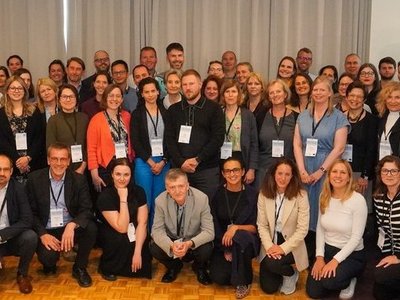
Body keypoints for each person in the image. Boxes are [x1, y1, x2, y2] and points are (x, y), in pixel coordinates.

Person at [293, 76, 349, 260]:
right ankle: (304, 254)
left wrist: (321, 171)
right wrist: (302, 170)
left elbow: (339, 147)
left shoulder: (338, 117)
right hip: (305, 167)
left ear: (329, 93)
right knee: (304, 208)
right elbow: (297, 144)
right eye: (315, 90)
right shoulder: (303, 115)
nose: (318, 93)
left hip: (327, 168)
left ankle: (321, 253)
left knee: (323, 207)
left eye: (322, 90)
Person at [27, 142, 97, 287]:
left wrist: (72, 225)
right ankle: (50, 263)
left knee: (91, 228)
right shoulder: (34, 179)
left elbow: (87, 209)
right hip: (47, 230)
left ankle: (79, 267)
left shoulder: (78, 179)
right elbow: (30, 213)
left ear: (69, 161)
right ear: (48, 160)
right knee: (49, 259)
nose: (59, 163)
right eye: (55, 159)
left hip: (68, 227)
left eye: (63, 159)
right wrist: (42, 234)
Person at [306, 159, 368, 299]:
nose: (338, 176)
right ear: (329, 176)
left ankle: (351, 278)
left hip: (352, 254)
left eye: (342, 172)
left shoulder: (357, 200)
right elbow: (320, 229)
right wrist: (320, 257)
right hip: (328, 250)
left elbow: (356, 237)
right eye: (334, 171)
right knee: (313, 292)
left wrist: (335, 261)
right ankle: (336, 276)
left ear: (348, 178)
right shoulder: (324, 196)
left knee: (329, 282)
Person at [165, 69, 225, 200]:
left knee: (207, 210)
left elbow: (218, 138)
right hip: (180, 170)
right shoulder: (173, 110)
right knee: (180, 210)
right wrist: (181, 162)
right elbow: (169, 140)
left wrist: (198, 159)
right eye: (184, 85)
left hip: (206, 170)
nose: (188, 88)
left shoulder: (214, 109)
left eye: (191, 84)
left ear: (200, 84)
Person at [150, 168, 214, 285]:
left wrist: (189, 243)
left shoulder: (201, 198)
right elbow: (157, 230)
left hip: (193, 240)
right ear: (167, 188)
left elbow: (209, 232)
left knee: (207, 248)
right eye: (172, 187)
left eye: (181, 186)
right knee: (154, 247)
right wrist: (171, 245)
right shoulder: (160, 200)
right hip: (173, 240)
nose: (177, 191)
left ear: (187, 185)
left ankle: (199, 267)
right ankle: (174, 267)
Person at [257, 158, 309, 295]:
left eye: (287, 174)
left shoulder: (301, 196)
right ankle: (279, 270)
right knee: (269, 288)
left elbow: (302, 230)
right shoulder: (263, 194)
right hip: (270, 242)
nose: (283, 178)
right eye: (280, 173)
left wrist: (281, 248)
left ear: (293, 176)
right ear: (273, 174)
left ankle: (290, 274)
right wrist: (269, 247)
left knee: (272, 263)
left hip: (292, 245)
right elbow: (261, 225)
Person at [209, 157, 259, 299]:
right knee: (219, 278)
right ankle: (235, 268)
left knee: (240, 236)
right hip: (222, 242)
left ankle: (244, 281)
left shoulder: (253, 194)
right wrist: (226, 249)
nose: (232, 174)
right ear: (223, 174)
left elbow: (255, 228)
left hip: (246, 241)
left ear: (243, 171)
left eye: (236, 170)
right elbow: (214, 224)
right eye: (228, 171)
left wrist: (235, 227)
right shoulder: (215, 194)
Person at [97, 158, 152, 280]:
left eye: (126, 174)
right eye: (118, 174)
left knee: (141, 242)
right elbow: (121, 227)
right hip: (114, 232)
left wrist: (138, 252)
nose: (122, 178)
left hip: (135, 230)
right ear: (112, 174)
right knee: (120, 239)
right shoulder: (105, 196)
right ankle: (107, 267)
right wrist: (123, 198)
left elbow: (142, 222)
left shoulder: (139, 191)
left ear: (131, 175)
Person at [131, 77, 170, 229]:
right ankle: (143, 236)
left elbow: (170, 140)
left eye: (153, 91)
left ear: (158, 92)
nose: (150, 94)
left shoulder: (166, 113)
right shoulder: (137, 114)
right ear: (141, 94)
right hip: (144, 162)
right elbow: (136, 141)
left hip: (163, 162)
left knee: (159, 202)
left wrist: (163, 161)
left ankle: (156, 236)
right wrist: (150, 161)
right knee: (145, 201)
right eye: (146, 92)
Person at [0, 154, 37, 294]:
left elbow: (27, 219)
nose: (1, 173)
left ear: (11, 171)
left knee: (30, 237)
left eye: (5, 169)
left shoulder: (18, 188)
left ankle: (22, 274)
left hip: (10, 237)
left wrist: (2, 235)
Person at [87, 84, 133, 191]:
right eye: (111, 96)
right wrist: (94, 174)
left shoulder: (127, 116)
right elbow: (91, 149)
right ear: (105, 98)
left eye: (118, 96)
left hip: (126, 166)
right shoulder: (96, 120)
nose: (114, 99)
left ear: (122, 99)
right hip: (106, 167)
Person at [0, 76, 46, 183]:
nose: (16, 91)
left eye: (20, 88)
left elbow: (40, 138)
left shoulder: (35, 111)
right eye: (13, 88)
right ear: (7, 91)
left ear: (25, 91)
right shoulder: (1, 114)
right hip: (10, 167)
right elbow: (2, 141)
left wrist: (28, 158)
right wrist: (18, 161)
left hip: (33, 165)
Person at [344, 81, 378, 212]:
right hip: (342, 171)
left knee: (360, 210)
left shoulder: (372, 120)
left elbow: (372, 149)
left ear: (364, 99)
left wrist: (365, 175)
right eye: (352, 95)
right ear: (346, 97)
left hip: (361, 175)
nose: (355, 99)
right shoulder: (339, 118)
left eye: (359, 96)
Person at [256, 79, 297, 188]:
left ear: (285, 94)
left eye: (278, 91)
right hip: (264, 171)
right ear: (269, 97)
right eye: (271, 93)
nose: (275, 95)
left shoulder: (297, 117)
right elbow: (254, 144)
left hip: (287, 173)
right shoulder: (260, 116)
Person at [372, 155, 400, 300]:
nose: (389, 175)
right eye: (385, 171)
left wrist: (398, 258)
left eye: (394, 171)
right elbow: (384, 231)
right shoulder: (378, 197)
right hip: (393, 251)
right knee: (380, 291)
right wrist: (386, 256)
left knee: (382, 276)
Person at [220, 80, 258, 184]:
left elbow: (254, 144)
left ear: (239, 94)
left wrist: (251, 169)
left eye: (233, 91)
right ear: (223, 95)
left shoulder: (248, 115)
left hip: (242, 158)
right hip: (222, 158)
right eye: (227, 92)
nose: (230, 95)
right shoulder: (217, 113)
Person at [46, 84, 89, 173]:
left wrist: (83, 166)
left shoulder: (84, 118)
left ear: (77, 99)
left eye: (71, 97)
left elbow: (88, 145)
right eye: (65, 97)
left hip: (83, 168)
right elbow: (51, 147)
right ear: (59, 99)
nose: (68, 100)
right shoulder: (53, 120)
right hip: (61, 168)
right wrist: (61, 168)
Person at [376, 81, 400, 159]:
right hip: (381, 165)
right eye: (389, 97)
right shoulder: (380, 118)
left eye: (397, 97)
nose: (393, 101)